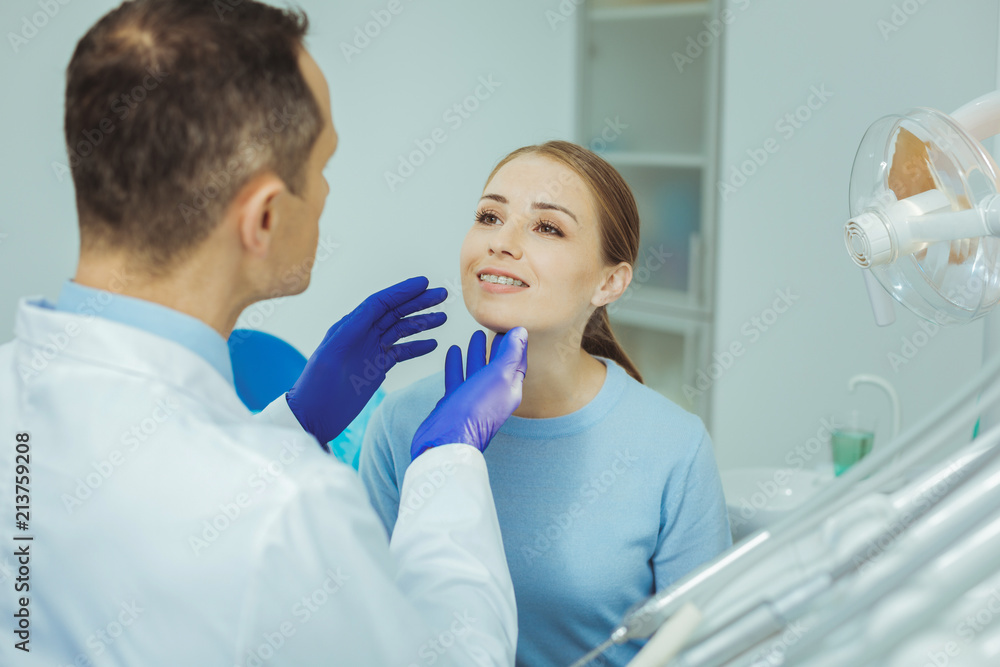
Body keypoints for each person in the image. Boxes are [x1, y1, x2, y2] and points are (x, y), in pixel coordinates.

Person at [0, 1, 528, 665]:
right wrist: (448, 464)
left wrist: (292, 424)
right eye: (322, 164)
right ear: (266, 216)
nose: (328, 192)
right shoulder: (287, 517)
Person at [360, 141, 732, 666]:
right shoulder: (404, 422)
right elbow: (368, 629)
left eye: (547, 227)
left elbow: (705, 653)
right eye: (490, 216)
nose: (502, 243)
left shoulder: (673, 446)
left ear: (609, 281)